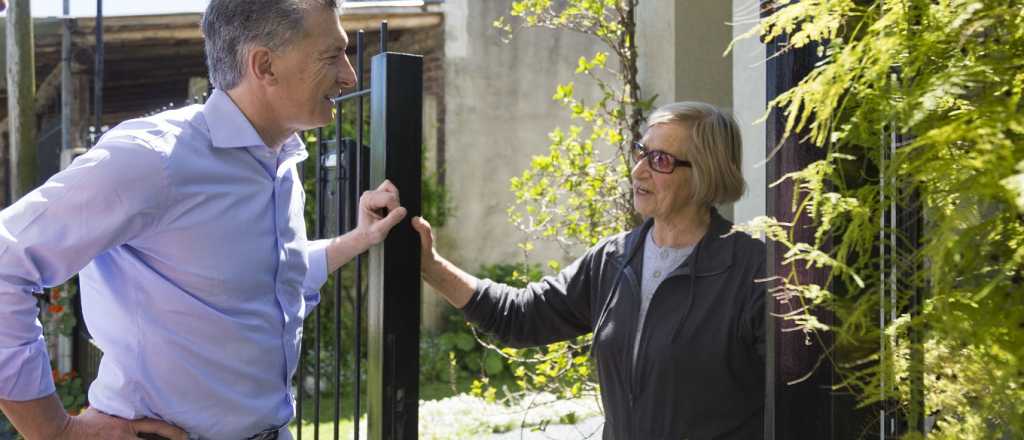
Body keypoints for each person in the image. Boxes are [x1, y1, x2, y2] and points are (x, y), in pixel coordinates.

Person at [0, 1, 407, 439]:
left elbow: (262, 280)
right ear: (265, 65)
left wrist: (357, 239)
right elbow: (6, 261)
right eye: (332, 55)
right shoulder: (154, 158)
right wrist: (55, 432)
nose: (349, 76)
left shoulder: (279, 163)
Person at [413, 101, 766, 439]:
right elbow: (520, 317)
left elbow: (791, 404)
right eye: (641, 152)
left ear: (704, 173)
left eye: (660, 160)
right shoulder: (613, 259)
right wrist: (431, 266)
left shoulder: (754, 271)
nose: (638, 171)